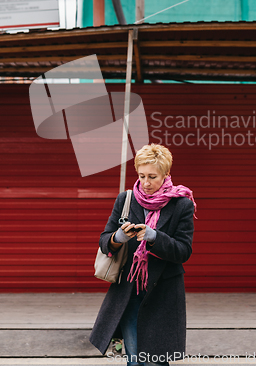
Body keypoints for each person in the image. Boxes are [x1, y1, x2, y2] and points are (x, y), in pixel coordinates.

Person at [89, 143, 196, 366]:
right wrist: (118, 238)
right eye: (141, 175)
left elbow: (183, 251)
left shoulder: (182, 205)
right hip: (129, 293)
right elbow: (104, 241)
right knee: (135, 361)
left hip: (163, 295)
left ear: (166, 174)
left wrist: (154, 237)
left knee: (155, 362)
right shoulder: (126, 199)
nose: (145, 183)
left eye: (152, 177)